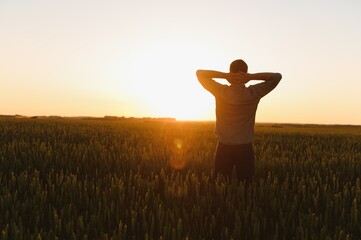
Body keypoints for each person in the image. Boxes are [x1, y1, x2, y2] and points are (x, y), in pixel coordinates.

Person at [196, 59, 282, 184]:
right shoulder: (253, 92)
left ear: (230, 72)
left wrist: (225, 76)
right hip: (245, 149)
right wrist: (250, 77)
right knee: (247, 188)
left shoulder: (220, 91)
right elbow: (277, 77)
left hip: (223, 148)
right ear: (246, 74)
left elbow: (200, 73)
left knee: (220, 187)